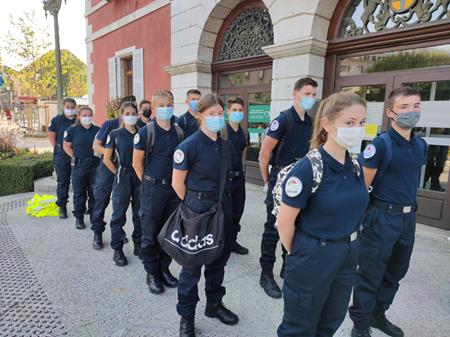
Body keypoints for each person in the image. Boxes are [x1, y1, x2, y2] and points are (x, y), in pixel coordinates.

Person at [276, 92, 369, 337]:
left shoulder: (356, 163)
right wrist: (299, 252)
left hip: (347, 253)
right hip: (314, 254)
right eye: (349, 123)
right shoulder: (309, 167)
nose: (357, 129)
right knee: (300, 327)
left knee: (331, 320)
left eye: (361, 122)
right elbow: (284, 222)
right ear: (327, 123)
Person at [349, 87, 427, 337]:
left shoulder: (420, 144)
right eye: (404, 107)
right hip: (381, 218)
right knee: (370, 274)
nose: (411, 112)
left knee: (395, 272)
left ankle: (377, 314)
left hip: (407, 218)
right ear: (390, 112)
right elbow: (362, 187)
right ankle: (360, 325)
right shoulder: (380, 145)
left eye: (416, 106)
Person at [172, 93, 238, 337]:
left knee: (218, 261)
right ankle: (186, 317)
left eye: (220, 114)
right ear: (199, 115)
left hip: (222, 208)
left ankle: (214, 304)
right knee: (191, 267)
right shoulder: (188, 146)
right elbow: (177, 184)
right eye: (212, 114)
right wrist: (193, 208)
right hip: (197, 212)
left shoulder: (225, 144)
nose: (217, 118)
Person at [258, 77, 318, 299]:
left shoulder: (310, 122)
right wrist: (267, 182)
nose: (311, 98)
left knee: (295, 226)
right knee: (273, 229)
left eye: (314, 95)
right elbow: (264, 154)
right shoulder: (284, 120)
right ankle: (266, 274)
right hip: (279, 181)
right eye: (307, 94)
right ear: (295, 94)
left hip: (300, 182)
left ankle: (288, 267)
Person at [132, 91, 183, 294]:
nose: (166, 108)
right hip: (153, 189)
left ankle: (164, 269)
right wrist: (148, 182)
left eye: (169, 104)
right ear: (153, 107)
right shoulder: (146, 132)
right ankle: (152, 273)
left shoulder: (178, 132)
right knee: (150, 233)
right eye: (161, 105)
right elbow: (137, 163)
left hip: (172, 189)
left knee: (168, 232)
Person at [103, 102, 142, 266]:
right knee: (118, 214)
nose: (131, 115)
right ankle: (117, 249)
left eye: (134, 112)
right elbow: (107, 159)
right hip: (123, 174)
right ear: (122, 115)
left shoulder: (143, 132)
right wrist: (118, 172)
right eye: (127, 113)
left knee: (140, 214)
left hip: (140, 175)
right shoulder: (115, 134)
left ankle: (138, 244)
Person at [63, 107, 100, 229]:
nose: (87, 117)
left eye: (89, 115)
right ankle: (79, 218)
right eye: (84, 115)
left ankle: (94, 216)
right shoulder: (72, 130)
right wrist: (75, 156)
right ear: (79, 116)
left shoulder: (98, 130)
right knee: (79, 193)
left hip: (95, 165)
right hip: (79, 166)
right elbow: (66, 146)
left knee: (94, 193)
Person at [224, 97, 250, 255]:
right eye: (234, 110)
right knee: (224, 214)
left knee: (237, 212)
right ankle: (222, 243)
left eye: (240, 110)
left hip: (239, 179)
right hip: (225, 180)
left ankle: (232, 242)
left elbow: (243, 152)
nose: (238, 113)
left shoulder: (244, 131)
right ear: (228, 112)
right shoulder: (221, 130)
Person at [48, 98, 77, 219]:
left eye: (72, 107)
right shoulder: (57, 120)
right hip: (61, 154)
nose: (70, 110)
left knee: (80, 181)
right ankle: (62, 207)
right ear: (63, 107)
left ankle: (81, 206)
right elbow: (51, 136)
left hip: (77, 153)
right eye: (68, 107)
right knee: (63, 181)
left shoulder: (79, 119)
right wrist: (59, 148)